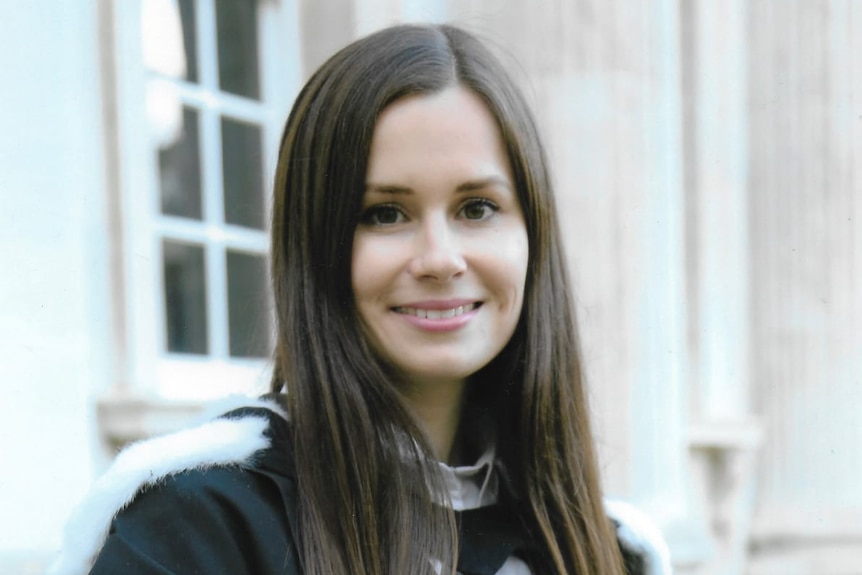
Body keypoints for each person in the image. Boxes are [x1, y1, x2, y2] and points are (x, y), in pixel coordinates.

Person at [49, 24, 671, 575]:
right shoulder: (202, 527)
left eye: (477, 208)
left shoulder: (605, 551)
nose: (439, 258)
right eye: (385, 213)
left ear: (531, 232)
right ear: (315, 244)